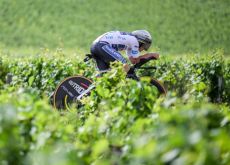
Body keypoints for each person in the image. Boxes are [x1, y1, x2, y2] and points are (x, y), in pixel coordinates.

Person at [90, 30, 159, 73]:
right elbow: (136, 58)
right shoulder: (134, 40)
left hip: (96, 46)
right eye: (144, 46)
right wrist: (150, 55)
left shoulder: (128, 46)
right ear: (140, 41)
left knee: (103, 74)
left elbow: (133, 61)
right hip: (101, 45)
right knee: (124, 65)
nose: (143, 50)